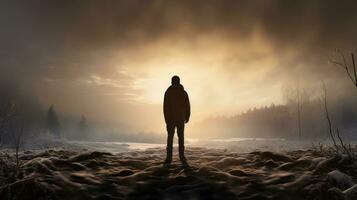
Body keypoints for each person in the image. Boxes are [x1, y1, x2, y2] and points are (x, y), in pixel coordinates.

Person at [163, 75, 190, 164]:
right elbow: (187, 106)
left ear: (172, 82)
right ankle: (181, 156)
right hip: (180, 119)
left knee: (170, 137)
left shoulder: (168, 92)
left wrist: (166, 119)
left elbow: (165, 108)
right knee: (180, 137)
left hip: (171, 119)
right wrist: (187, 116)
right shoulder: (183, 92)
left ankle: (169, 157)